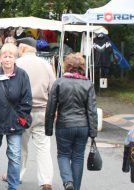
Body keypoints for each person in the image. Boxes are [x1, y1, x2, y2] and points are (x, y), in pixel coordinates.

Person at [0, 43, 32, 190]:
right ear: (0, 58)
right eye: (5, 56)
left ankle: (13, 186)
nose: (8, 59)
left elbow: (27, 100)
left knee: (15, 157)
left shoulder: (22, 75)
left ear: (16, 59)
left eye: (11, 56)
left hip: (14, 123)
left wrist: (19, 117)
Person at [45, 53, 97, 190]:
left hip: (64, 125)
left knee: (63, 155)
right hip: (83, 126)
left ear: (66, 66)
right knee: (78, 157)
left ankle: (68, 181)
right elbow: (92, 110)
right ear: (82, 67)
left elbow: (51, 107)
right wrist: (93, 132)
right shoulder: (88, 84)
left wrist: (48, 129)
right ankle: (76, 187)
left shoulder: (59, 83)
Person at [16, 37, 56, 190]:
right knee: (43, 148)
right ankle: (46, 181)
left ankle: (17, 175)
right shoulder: (45, 65)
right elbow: (53, 89)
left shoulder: (18, 64)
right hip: (43, 111)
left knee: (20, 146)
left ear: (23, 48)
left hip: (22, 113)